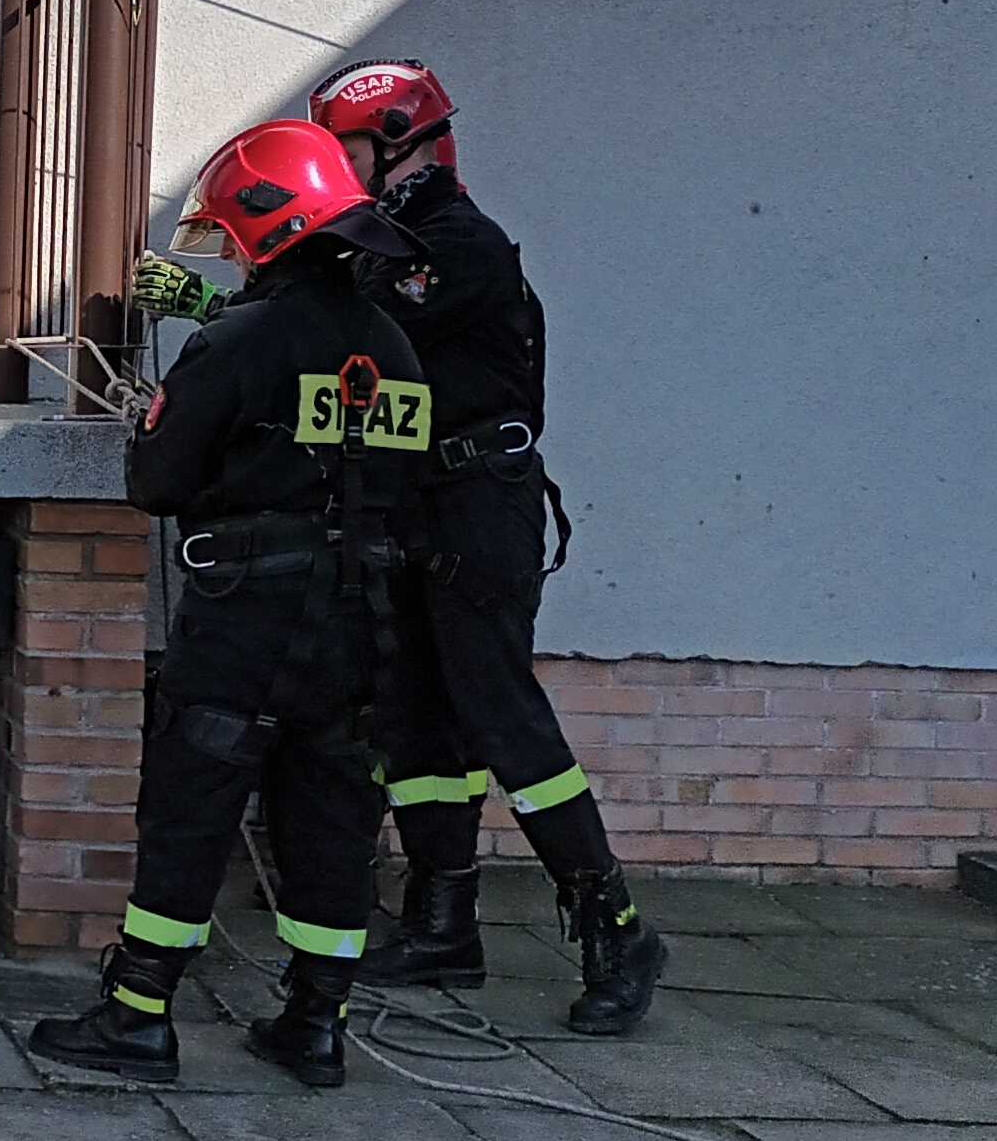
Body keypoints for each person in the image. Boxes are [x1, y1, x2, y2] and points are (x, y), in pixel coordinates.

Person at [129, 60, 666, 1036]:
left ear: (400, 143)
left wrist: (213, 317)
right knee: (415, 725)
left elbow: (335, 336)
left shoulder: (455, 246)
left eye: (347, 150)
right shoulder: (391, 243)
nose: (338, 171)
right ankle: (441, 919)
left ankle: (614, 926)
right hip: (408, 511)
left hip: (478, 502)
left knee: (500, 717)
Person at [32, 119, 427, 1088]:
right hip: (362, 620)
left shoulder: (236, 342)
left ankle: (136, 1016)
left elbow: (157, 483)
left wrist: (162, 431)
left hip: (246, 617)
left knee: (191, 806)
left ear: (264, 223)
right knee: (331, 816)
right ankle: (315, 1023)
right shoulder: (394, 348)